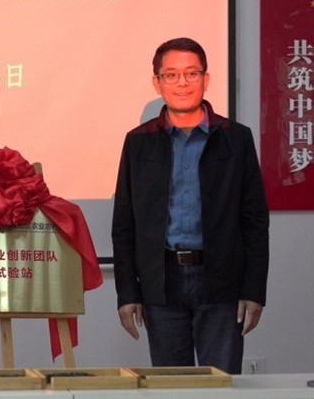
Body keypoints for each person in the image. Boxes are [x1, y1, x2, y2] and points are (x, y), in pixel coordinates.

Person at [111, 37, 269, 374]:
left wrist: (254, 289)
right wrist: (127, 293)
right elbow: (124, 225)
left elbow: (255, 221)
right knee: (171, 387)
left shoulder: (236, 138)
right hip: (162, 283)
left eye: (191, 73)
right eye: (171, 75)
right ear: (157, 83)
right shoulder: (138, 142)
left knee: (221, 384)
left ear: (205, 79)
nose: (182, 83)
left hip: (222, 282)